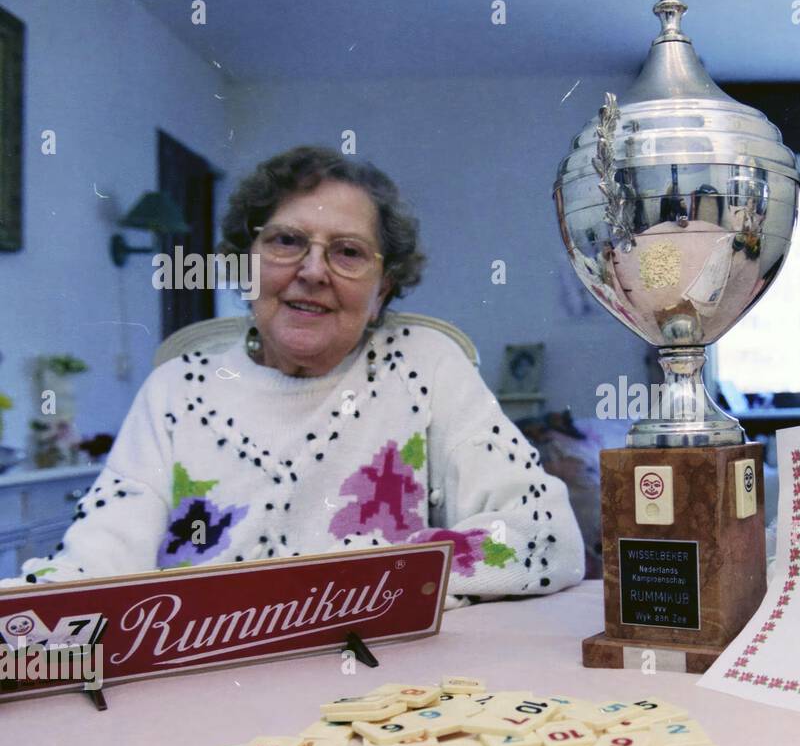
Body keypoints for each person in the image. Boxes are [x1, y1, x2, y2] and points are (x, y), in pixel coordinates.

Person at [0, 146, 584, 603]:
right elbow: (92, 567)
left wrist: (372, 578)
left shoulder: (424, 364)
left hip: (384, 693)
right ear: (245, 263)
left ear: (382, 289)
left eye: (348, 252)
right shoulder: (176, 389)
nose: (312, 271)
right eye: (286, 241)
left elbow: (544, 536)